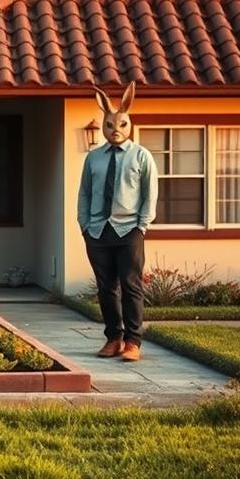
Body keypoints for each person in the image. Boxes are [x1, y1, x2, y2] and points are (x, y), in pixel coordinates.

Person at [77, 82, 158, 362]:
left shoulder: (141, 156)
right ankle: (113, 337)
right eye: (110, 125)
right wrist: (85, 225)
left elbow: (150, 194)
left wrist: (142, 225)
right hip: (98, 232)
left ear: (129, 123)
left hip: (129, 230)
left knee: (131, 286)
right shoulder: (94, 158)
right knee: (105, 288)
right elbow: (85, 193)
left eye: (121, 124)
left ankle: (133, 341)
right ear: (103, 124)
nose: (115, 130)